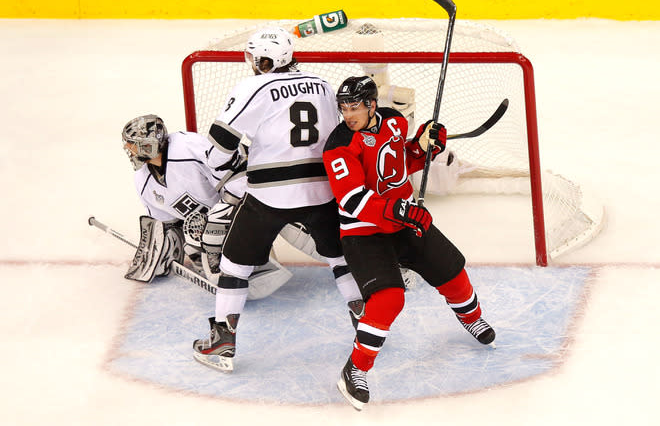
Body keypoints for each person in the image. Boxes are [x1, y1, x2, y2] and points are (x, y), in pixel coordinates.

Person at [192, 27, 363, 372]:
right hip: (322, 190)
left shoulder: (253, 86)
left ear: (259, 59)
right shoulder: (323, 84)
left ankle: (223, 341)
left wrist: (225, 166)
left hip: (269, 195)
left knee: (234, 265)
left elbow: (220, 144)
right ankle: (366, 328)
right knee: (340, 258)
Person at [322, 76, 496, 410]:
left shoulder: (393, 121)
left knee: (453, 273)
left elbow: (401, 163)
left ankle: (471, 317)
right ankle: (355, 369)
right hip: (364, 231)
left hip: (402, 219)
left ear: (372, 105)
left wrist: (424, 146)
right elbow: (353, 200)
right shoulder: (339, 145)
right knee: (388, 300)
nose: (348, 114)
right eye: (343, 108)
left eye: (354, 107)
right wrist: (399, 208)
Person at [121, 113, 303, 300]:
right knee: (196, 248)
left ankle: (262, 251)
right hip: (210, 226)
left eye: (132, 144)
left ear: (149, 144)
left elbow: (237, 173)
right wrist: (164, 253)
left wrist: (236, 216)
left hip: (246, 200)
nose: (128, 149)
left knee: (223, 224)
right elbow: (168, 225)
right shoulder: (142, 181)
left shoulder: (188, 147)